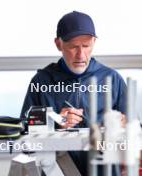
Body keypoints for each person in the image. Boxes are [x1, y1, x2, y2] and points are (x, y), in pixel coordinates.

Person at [20, 11, 126, 176]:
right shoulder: (41, 81)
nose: (81, 55)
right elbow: (24, 133)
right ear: (58, 44)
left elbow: (137, 130)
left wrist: (123, 124)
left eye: (86, 46)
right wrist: (55, 123)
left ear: (94, 42)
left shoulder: (112, 79)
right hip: (56, 170)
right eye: (73, 47)